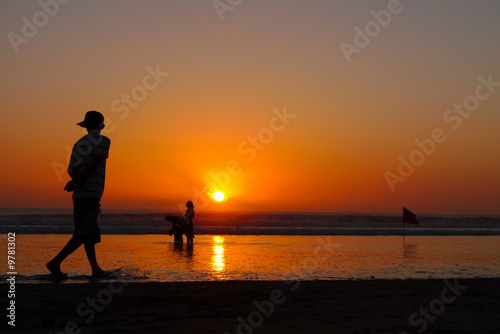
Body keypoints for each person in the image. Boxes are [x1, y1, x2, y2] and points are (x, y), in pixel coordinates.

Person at [46, 111, 111, 279]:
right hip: (91, 192)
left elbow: (71, 170)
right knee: (83, 233)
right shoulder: (104, 141)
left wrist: (75, 181)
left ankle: (95, 268)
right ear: (100, 124)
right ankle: (55, 262)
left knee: (87, 232)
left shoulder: (78, 144)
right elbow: (95, 162)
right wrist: (78, 181)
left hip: (79, 195)